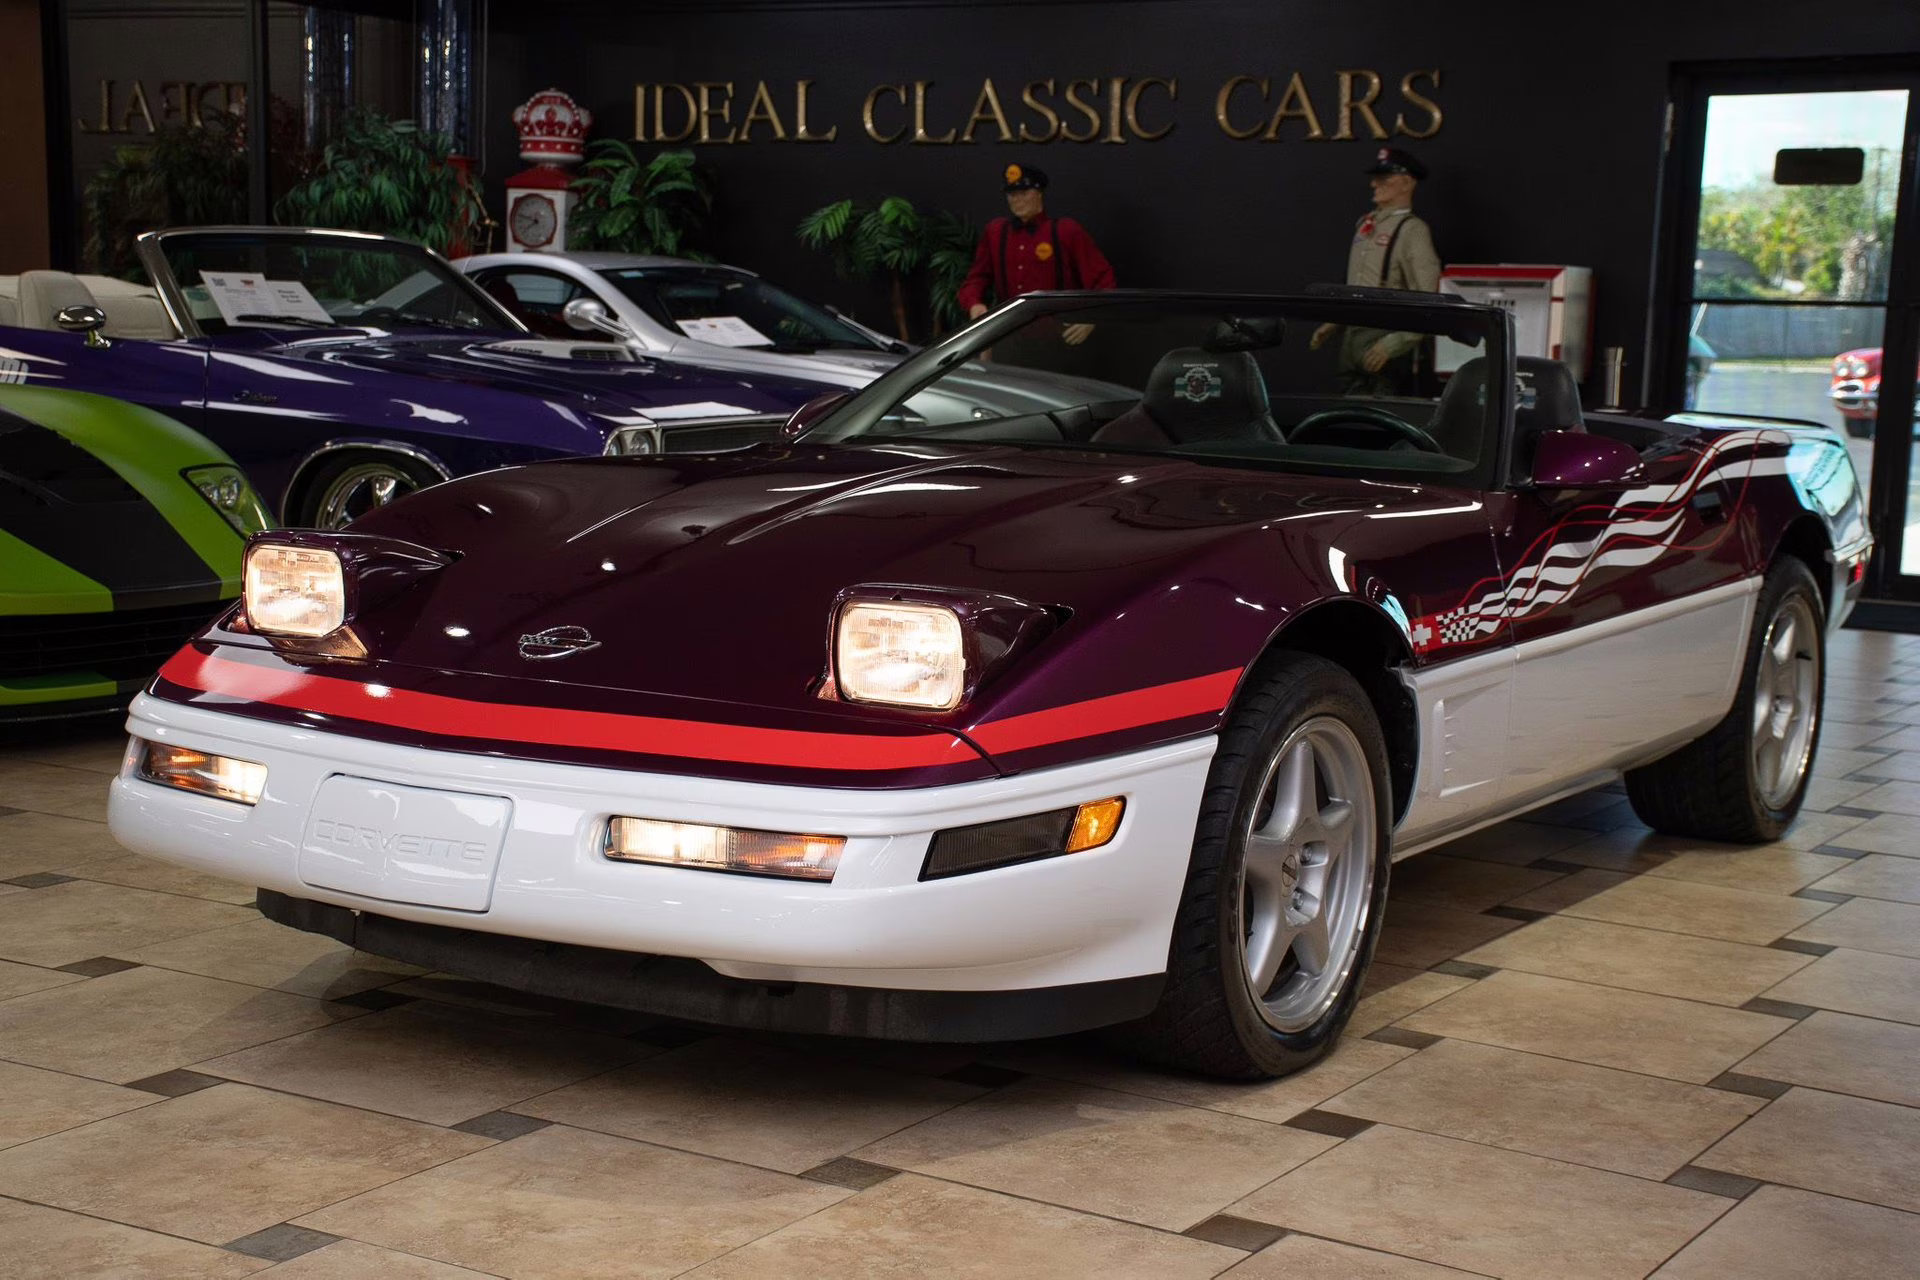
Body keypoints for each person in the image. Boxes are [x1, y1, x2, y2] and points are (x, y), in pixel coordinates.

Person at [1311, 147, 1441, 396]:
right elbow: (1356, 283)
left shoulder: (1412, 230)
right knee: (1347, 410)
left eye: (1384, 179)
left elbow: (1428, 299)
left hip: (1384, 335)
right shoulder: (1365, 224)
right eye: (1375, 178)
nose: (1374, 184)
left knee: (1383, 412)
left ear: (1406, 183)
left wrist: (1394, 344)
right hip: (1353, 336)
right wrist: (1334, 321)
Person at [957, 164, 1115, 346]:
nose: (1017, 200)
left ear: (1039, 193)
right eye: (1012, 194)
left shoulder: (1066, 231)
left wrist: (1091, 318)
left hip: (1059, 339)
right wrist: (974, 303)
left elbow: (1103, 279)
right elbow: (975, 278)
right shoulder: (996, 232)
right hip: (1009, 337)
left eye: (1024, 193)